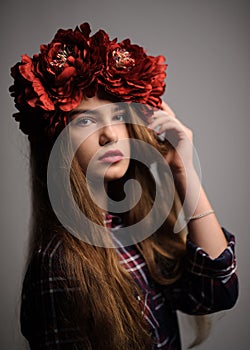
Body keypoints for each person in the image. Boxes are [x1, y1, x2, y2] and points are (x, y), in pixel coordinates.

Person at [9, 22, 238, 350]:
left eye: (118, 116)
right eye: (86, 120)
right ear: (56, 141)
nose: (111, 135)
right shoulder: (59, 266)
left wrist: (184, 171)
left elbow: (218, 293)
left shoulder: (135, 230)